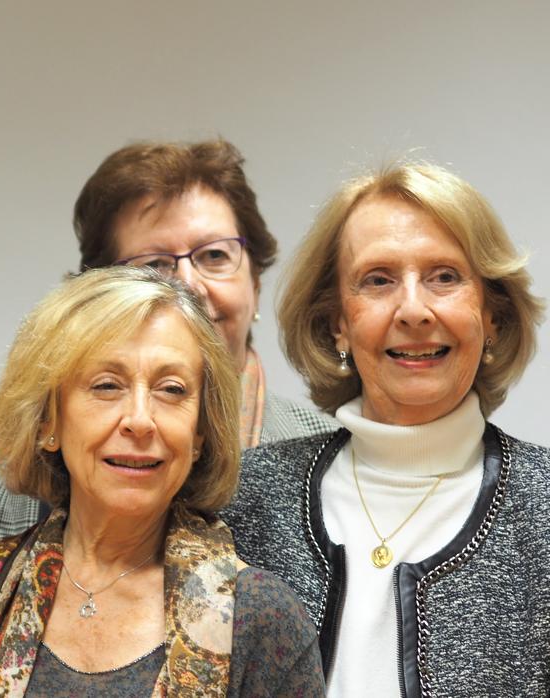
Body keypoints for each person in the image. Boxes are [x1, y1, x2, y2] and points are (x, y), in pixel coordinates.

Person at [0, 267, 324, 697]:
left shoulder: (261, 621)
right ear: (49, 420)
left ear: (199, 433)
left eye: (171, 389)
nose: (139, 419)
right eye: (106, 385)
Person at [225, 161, 548, 696]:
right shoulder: (243, 501)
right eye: (378, 280)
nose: (415, 309)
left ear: (492, 314)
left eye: (445, 277)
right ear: (337, 324)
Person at [0, 139, 335, 548]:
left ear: (253, 280)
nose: (188, 285)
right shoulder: (16, 481)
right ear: (102, 296)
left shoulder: (331, 461)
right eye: (154, 265)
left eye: (214, 256)